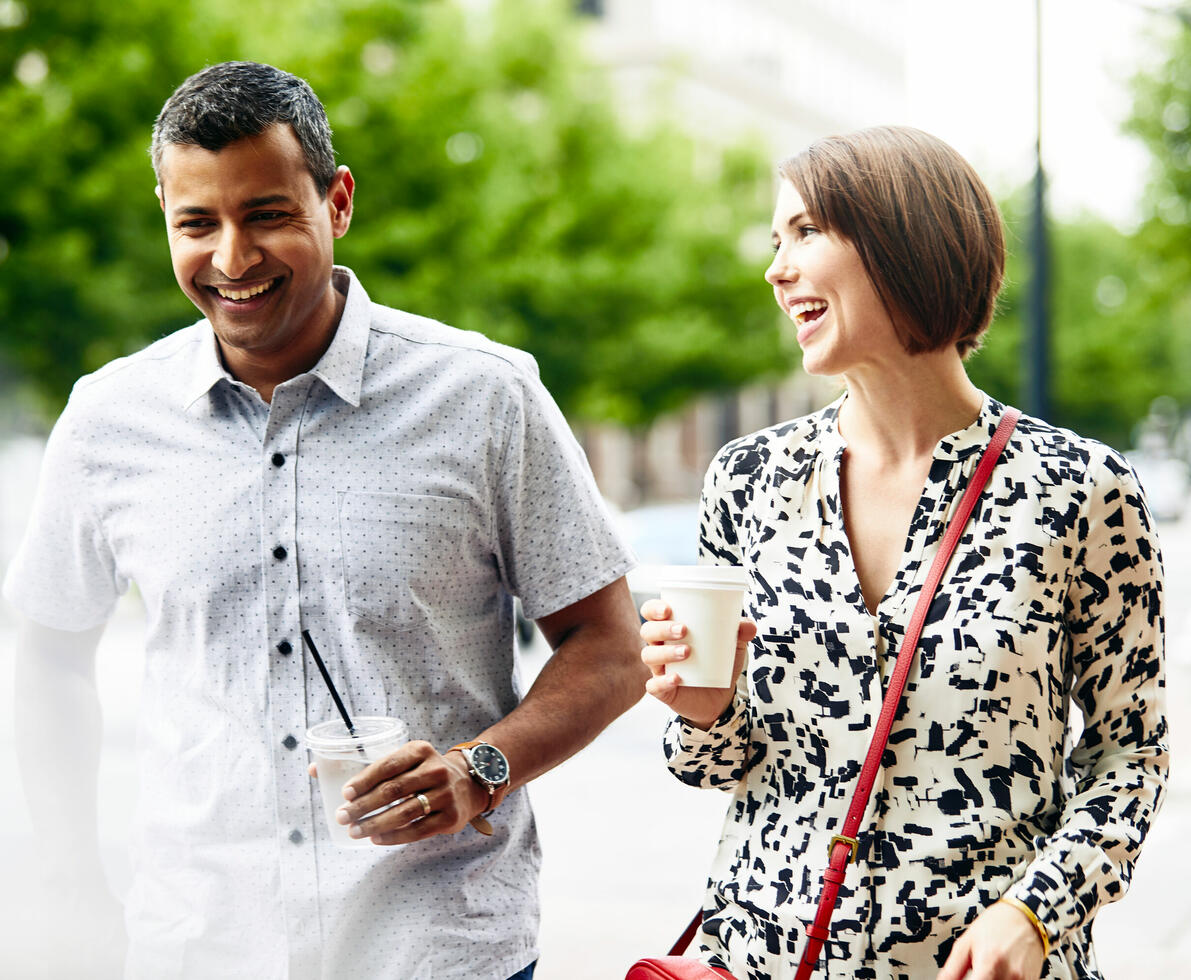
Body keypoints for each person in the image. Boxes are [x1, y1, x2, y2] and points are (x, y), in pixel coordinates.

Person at [4, 61, 645, 980]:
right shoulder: (109, 418)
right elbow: (52, 654)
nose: (231, 258)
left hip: (438, 950)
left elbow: (609, 647)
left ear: (336, 201)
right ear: (165, 218)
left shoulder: (486, 397)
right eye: (196, 223)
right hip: (198, 946)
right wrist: (68, 875)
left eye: (266, 214)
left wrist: (481, 770)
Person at [639, 126, 1168, 980]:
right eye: (776, 240)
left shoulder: (1080, 490)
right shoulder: (747, 480)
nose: (775, 270)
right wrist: (701, 709)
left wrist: (1037, 911)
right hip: (767, 958)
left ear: (901, 241)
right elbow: (720, 764)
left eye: (806, 232)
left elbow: (1127, 754)